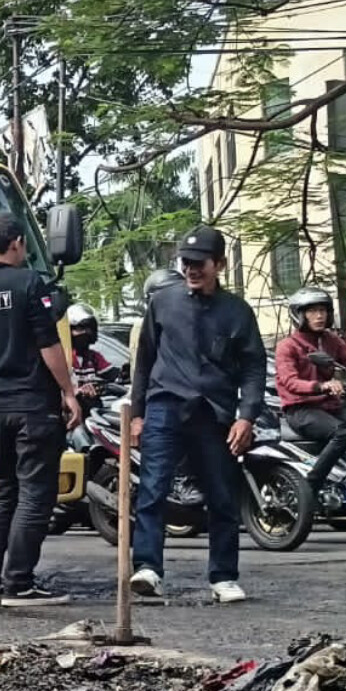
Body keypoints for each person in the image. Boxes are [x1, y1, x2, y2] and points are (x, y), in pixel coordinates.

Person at [0, 212, 84, 608]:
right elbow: (49, 344)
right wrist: (69, 392)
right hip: (32, 406)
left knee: (2, 491)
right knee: (35, 495)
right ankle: (19, 584)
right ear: (15, 244)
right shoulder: (28, 283)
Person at [127, 227, 264, 605]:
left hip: (214, 412)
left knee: (221, 496)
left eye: (199, 263)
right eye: (185, 263)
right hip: (164, 407)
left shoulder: (238, 312)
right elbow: (145, 362)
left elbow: (254, 367)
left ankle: (223, 576)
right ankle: (148, 568)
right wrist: (137, 414)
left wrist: (246, 416)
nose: (191, 270)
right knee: (153, 489)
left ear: (218, 265)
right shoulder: (163, 302)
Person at [275, 286, 346, 514]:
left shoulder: (331, 341)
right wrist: (320, 386)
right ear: (299, 314)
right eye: (312, 311)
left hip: (330, 407)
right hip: (301, 410)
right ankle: (311, 484)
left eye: (323, 310)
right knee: (343, 431)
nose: (319, 316)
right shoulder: (288, 346)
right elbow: (289, 381)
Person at [67, 303, 114, 407]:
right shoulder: (63, 357)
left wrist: (124, 374)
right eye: (79, 329)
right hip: (68, 410)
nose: (85, 333)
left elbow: (112, 375)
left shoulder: (93, 357)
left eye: (88, 329)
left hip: (92, 410)